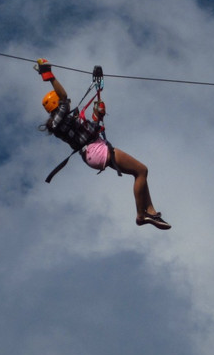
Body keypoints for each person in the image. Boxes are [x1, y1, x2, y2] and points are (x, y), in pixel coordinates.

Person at [35, 58, 170, 230]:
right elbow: (63, 96)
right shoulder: (58, 122)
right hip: (95, 150)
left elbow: (93, 128)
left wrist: (98, 115)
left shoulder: (67, 121)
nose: (68, 103)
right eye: (63, 103)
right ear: (57, 105)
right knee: (142, 170)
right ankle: (141, 215)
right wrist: (49, 74)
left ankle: (150, 211)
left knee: (140, 172)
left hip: (94, 150)